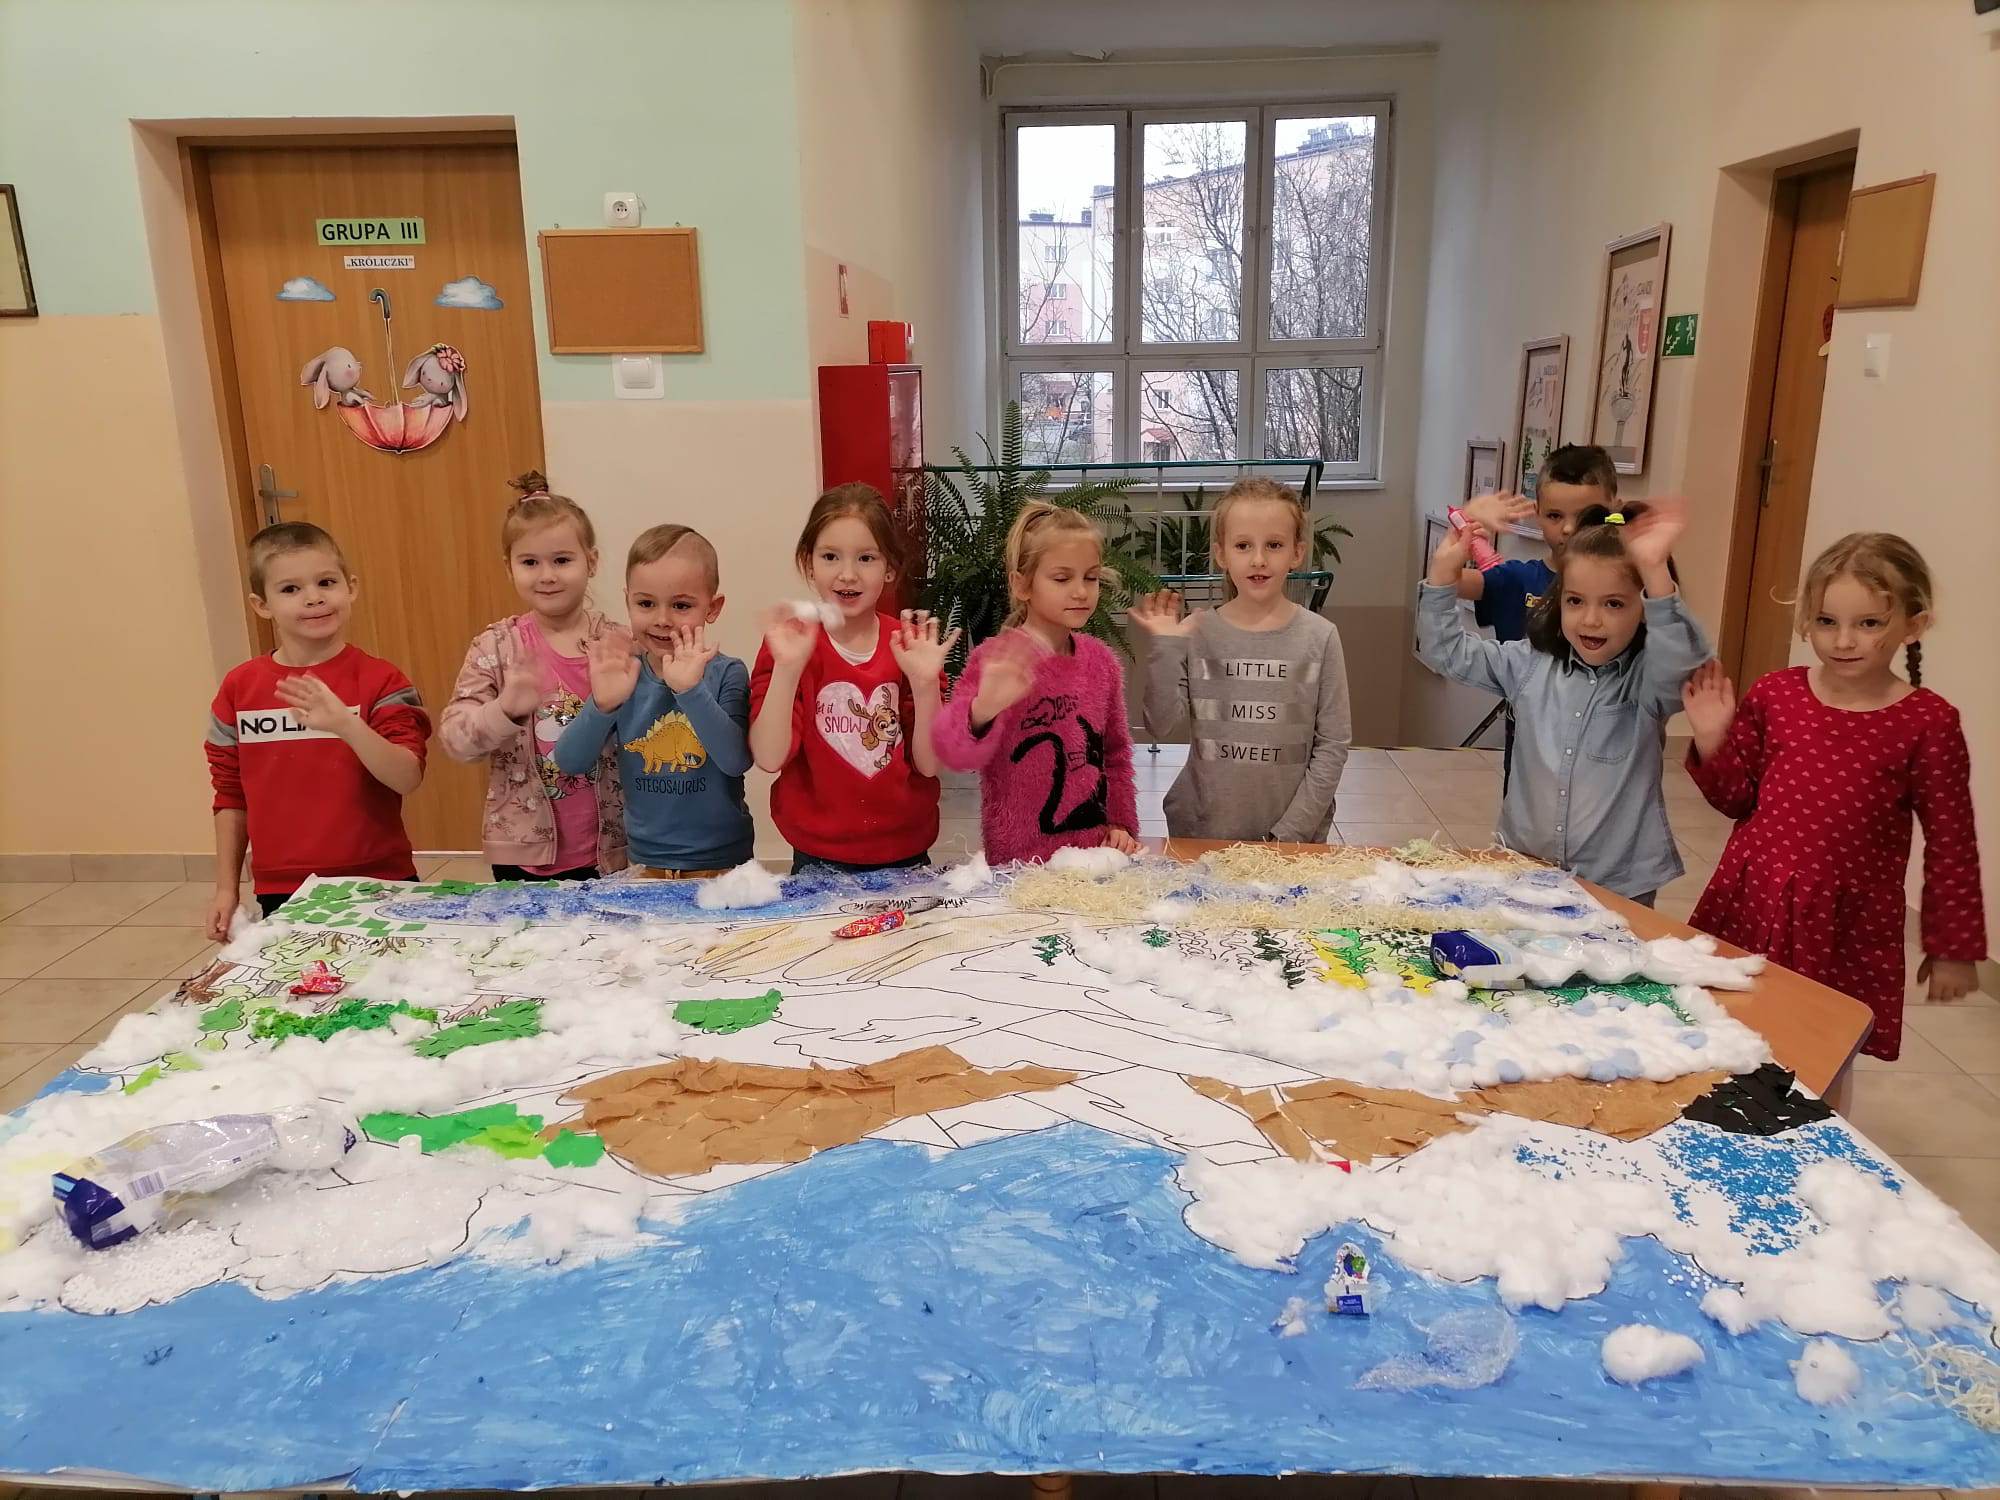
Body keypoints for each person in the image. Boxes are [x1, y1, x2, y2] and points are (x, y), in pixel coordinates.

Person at [1680, 533, 1986, 1061]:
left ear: (1914, 625)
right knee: (1721, 1027)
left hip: (1844, 925)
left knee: (1821, 1050)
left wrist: (1953, 947)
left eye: (1869, 623)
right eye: (1826, 621)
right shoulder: (1777, 693)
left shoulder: (1928, 722)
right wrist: (1711, 740)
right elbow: (1736, 800)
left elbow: (1952, 843)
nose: (1844, 641)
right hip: (1752, 898)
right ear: (1806, 620)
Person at [1415, 499, 1707, 903]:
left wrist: (1656, 573)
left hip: (1618, 883)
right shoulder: (1529, 663)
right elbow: (1446, 652)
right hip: (1523, 871)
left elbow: (1684, 661)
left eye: (1614, 604)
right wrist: (1442, 575)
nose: (1591, 619)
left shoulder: (1647, 680)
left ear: (1644, 610)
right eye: (1575, 601)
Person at [203, 523, 428, 937]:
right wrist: (225, 888)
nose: (313, 597)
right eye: (290, 589)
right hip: (283, 887)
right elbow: (230, 795)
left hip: (381, 880)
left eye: (326, 582)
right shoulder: (239, 689)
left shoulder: (383, 681)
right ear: (262, 604)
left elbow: (406, 776)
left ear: (350, 587)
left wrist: (346, 724)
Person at [1128, 476, 1351, 842]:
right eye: (1243, 545)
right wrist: (1167, 647)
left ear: (1297, 553)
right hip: (1204, 834)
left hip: (1291, 845)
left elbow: (1333, 745)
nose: (1258, 559)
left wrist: (1288, 835)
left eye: (1274, 545)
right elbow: (1159, 724)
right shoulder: (1197, 632)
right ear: (1222, 554)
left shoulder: (1321, 637)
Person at [749, 483, 955, 875]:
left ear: (889, 567)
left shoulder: (911, 646)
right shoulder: (790, 644)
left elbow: (929, 765)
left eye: (866, 558)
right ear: (809, 563)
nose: (847, 574)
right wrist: (788, 669)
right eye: (830, 556)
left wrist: (926, 685)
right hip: (816, 857)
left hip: (906, 853)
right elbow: (769, 757)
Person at [440, 472, 626, 882]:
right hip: (522, 851)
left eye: (562, 560)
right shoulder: (495, 646)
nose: (547, 575)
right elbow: (455, 741)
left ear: (591, 561)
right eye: (530, 562)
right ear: (508, 567)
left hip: (612, 849)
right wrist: (504, 709)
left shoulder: (617, 644)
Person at [933, 502, 1140, 865]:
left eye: (1090, 578)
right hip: (1018, 864)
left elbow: (1116, 754)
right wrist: (982, 710)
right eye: (1062, 579)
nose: (1081, 592)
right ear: (1022, 585)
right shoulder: (995, 660)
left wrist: (1121, 823)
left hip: (1093, 859)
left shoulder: (1102, 661)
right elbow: (954, 754)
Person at [553, 525, 753, 879]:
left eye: (681, 605)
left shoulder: (728, 673)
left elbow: (736, 761)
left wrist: (690, 691)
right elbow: (569, 761)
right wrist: (603, 705)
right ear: (628, 600)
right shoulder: (622, 675)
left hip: (722, 864)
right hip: (645, 863)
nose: (662, 620)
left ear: (712, 607)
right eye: (646, 603)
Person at [1456, 443, 1620, 641]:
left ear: (1614, 510)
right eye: (1555, 516)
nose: (1569, 529)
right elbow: (1444, 583)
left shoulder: (1629, 582)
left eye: (1585, 515)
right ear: (1538, 513)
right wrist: (1464, 525)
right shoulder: (1516, 580)